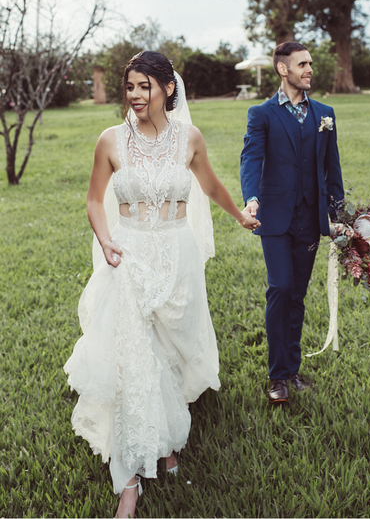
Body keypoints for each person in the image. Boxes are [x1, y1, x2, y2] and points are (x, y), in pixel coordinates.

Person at [65, 51, 260, 518]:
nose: (134, 95)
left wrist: (240, 216)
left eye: (143, 86)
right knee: (135, 353)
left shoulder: (188, 138)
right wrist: (107, 239)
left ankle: (169, 439)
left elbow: (210, 186)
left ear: (167, 89)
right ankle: (129, 478)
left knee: (169, 353)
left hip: (177, 254)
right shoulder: (110, 140)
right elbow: (94, 200)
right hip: (130, 255)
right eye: (129, 86)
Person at [240, 41, 344, 404]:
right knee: (280, 288)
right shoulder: (262, 113)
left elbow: (333, 168)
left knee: (297, 295)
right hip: (274, 217)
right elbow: (251, 159)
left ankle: (293, 369)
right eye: (302, 64)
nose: (309, 69)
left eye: (310, 64)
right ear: (283, 69)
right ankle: (277, 374)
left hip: (310, 218)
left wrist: (339, 215)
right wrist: (251, 199)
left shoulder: (325, 114)